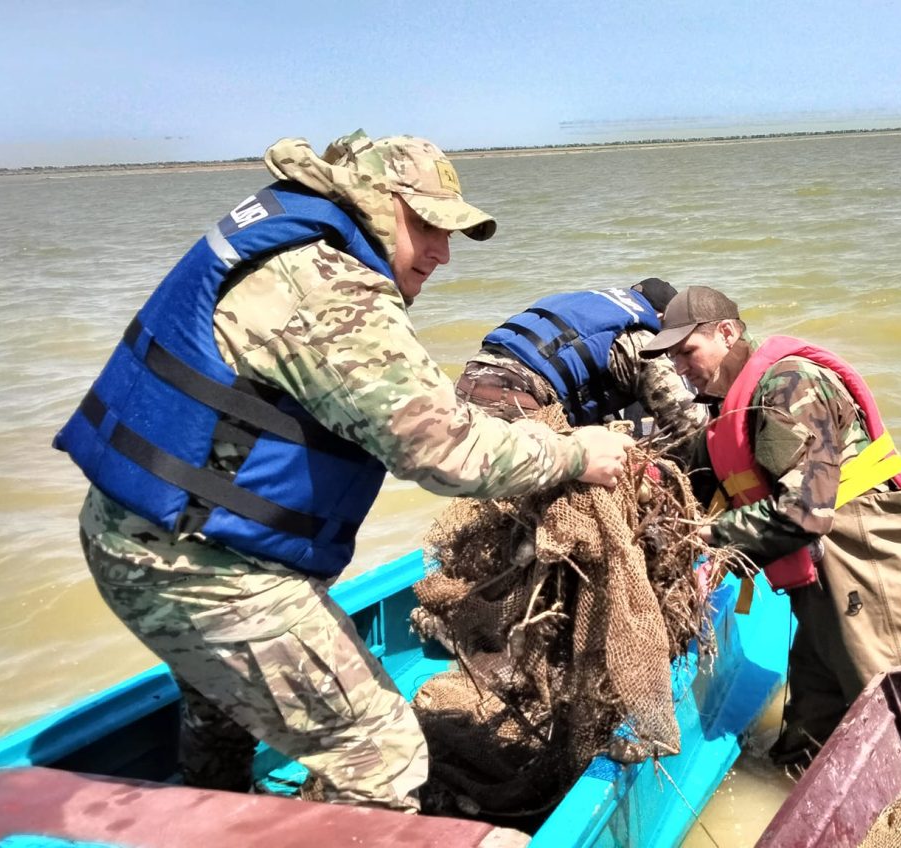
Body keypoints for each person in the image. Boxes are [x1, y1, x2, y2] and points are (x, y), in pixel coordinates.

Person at [53, 130, 633, 812]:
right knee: (383, 753)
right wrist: (576, 453)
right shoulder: (333, 286)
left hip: (140, 538)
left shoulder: (292, 246)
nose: (443, 253)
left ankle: (210, 810)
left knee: (223, 706)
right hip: (200, 570)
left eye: (452, 234)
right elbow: (445, 453)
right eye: (427, 227)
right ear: (377, 205)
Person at [640, 285, 901, 769]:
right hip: (823, 584)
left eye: (687, 352)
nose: (681, 368)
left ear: (727, 333)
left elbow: (805, 511)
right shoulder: (731, 405)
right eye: (673, 358)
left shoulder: (789, 384)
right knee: (808, 746)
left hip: (874, 565)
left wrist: (705, 535)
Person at [456, 278, 707, 440]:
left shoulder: (592, 306)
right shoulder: (640, 339)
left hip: (465, 388)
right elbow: (685, 423)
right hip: (515, 397)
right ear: (661, 316)